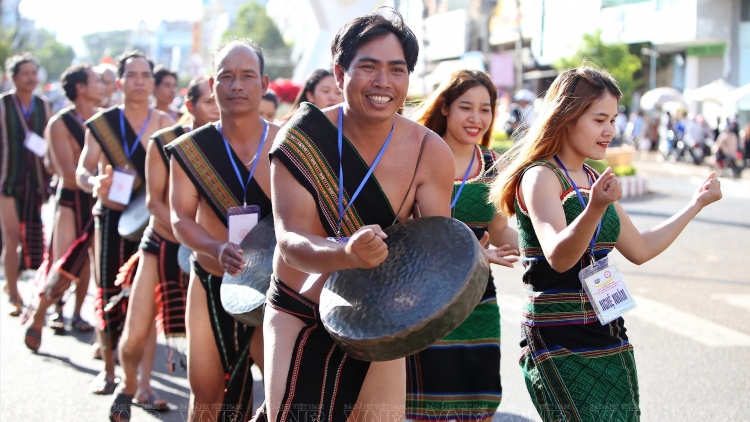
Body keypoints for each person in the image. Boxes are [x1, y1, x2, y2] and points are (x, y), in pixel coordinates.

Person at [488, 66, 722, 422]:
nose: (610, 130)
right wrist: (596, 207)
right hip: (557, 337)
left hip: (608, 330)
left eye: (613, 119)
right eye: (600, 119)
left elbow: (640, 249)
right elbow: (559, 256)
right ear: (567, 116)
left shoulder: (595, 177)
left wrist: (695, 204)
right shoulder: (540, 176)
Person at [255, 10, 454, 422]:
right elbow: (290, 242)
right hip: (300, 311)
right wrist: (347, 252)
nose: (383, 82)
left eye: (396, 70)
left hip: (378, 316)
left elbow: (432, 250)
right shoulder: (302, 139)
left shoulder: (428, 151)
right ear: (340, 72)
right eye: (368, 66)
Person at [166, 40, 278, 422]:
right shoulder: (190, 150)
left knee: (283, 393)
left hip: (275, 288)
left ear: (263, 83)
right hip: (212, 278)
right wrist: (215, 247)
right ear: (213, 85)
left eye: (247, 76)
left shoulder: (289, 143)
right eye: (227, 77)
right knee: (208, 393)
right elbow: (180, 218)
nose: (237, 85)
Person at [407, 69, 519, 421]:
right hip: (425, 300)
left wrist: (546, 244)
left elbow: (499, 228)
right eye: (466, 107)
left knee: (480, 399)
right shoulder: (417, 157)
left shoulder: (492, 165)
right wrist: (471, 251)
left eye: (485, 109)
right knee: (427, 405)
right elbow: (407, 229)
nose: (476, 119)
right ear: (445, 108)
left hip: (479, 299)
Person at [108, 75, 218, 420]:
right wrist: (186, 233)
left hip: (213, 251)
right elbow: (154, 203)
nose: (218, 107)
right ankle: (128, 384)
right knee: (137, 329)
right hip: (163, 241)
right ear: (190, 106)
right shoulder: (165, 141)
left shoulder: (239, 141)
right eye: (209, 102)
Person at [76, 50, 174, 395]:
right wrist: (93, 184)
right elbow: (82, 170)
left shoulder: (166, 122)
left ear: (152, 81)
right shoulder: (102, 123)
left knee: (146, 297)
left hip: (152, 219)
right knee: (108, 290)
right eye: (131, 75)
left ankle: (144, 384)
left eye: (145, 75)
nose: (139, 81)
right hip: (111, 213)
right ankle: (108, 371)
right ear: (119, 83)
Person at [24, 64, 103, 351]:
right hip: (71, 199)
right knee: (66, 261)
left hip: (97, 199)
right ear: (80, 87)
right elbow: (67, 171)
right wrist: (101, 180)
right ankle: (43, 312)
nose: (102, 86)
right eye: (96, 81)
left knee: (90, 267)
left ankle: (77, 312)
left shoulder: (101, 120)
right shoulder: (59, 122)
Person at [0, 53, 51, 317]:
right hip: (7, 181)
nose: (31, 77)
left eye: (34, 72)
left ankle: (15, 282)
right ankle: (13, 292)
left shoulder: (43, 106)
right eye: (25, 73)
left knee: (28, 236)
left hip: (36, 184)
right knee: (11, 237)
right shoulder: (3, 104)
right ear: (13, 77)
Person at [276, 69, 342, 124]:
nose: (333, 97)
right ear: (310, 96)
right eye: (325, 91)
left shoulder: (347, 129)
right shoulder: (288, 127)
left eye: (338, 92)